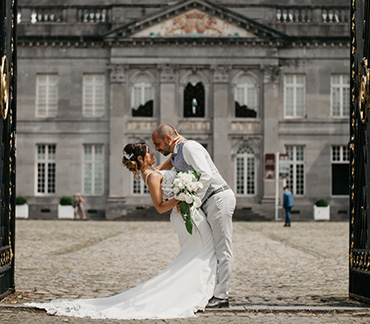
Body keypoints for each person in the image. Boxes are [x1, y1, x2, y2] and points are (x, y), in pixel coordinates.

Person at [27, 142, 217, 319]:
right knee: (203, 250)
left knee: (197, 252)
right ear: (141, 159)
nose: (153, 153)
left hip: (184, 215)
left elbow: (171, 161)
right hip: (183, 215)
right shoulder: (152, 176)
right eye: (149, 152)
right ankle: (194, 292)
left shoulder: (153, 171)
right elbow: (159, 207)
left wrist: (178, 145)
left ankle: (194, 289)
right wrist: (182, 197)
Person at [152, 124, 236, 308]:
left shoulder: (189, 147)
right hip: (208, 202)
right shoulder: (176, 154)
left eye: (157, 144)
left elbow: (205, 175)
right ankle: (210, 291)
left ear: (167, 138)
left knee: (223, 247)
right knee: (211, 248)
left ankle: (222, 296)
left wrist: (192, 202)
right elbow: (157, 172)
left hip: (218, 197)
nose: (156, 149)